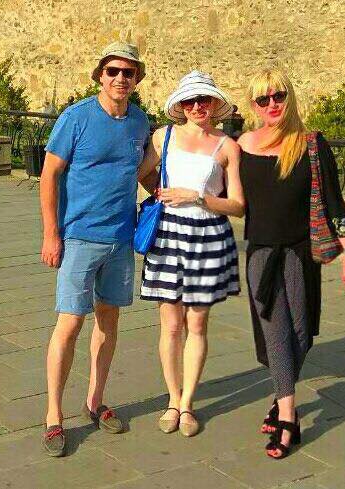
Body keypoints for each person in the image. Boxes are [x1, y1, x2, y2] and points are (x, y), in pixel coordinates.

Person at [237, 68, 345, 459]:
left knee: (302, 333)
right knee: (276, 333)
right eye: (263, 99)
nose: (272, 104)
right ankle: (289, 417)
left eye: (279, 96)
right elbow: (225, 194)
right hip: (261, 254)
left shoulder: (310, 143)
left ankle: (279, 398)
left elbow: (334, 199)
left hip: (301, 252)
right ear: (253, 105)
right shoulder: (241, 145)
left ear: (289, 97)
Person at [40, 42, 150, 456]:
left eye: (128, 72)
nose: (120, 78)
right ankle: (54, 416)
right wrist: (51, 234)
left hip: (121, 238)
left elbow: (141, 168)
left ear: (137, 79)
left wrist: (164, 193)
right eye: (113, 71)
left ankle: (95, 400)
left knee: (109, 321)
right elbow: (49, 175)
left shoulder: (139, 121)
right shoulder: (77, 117)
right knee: (69, 324)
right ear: (100, 75)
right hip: (79, 237)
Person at [138, 71, 245, 437]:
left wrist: (196, 197)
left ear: (215, 104)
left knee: (196, 325)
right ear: (180, 106)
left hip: (207, 237)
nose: (197, 106)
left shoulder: (227, 146)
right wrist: (159, 192)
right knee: (170, 325)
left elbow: (238, 205)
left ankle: (187, 404)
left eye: (204, 100)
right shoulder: (163, 136)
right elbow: (142, 172)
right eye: (190, 101)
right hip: (168, 235)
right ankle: (172, 399)